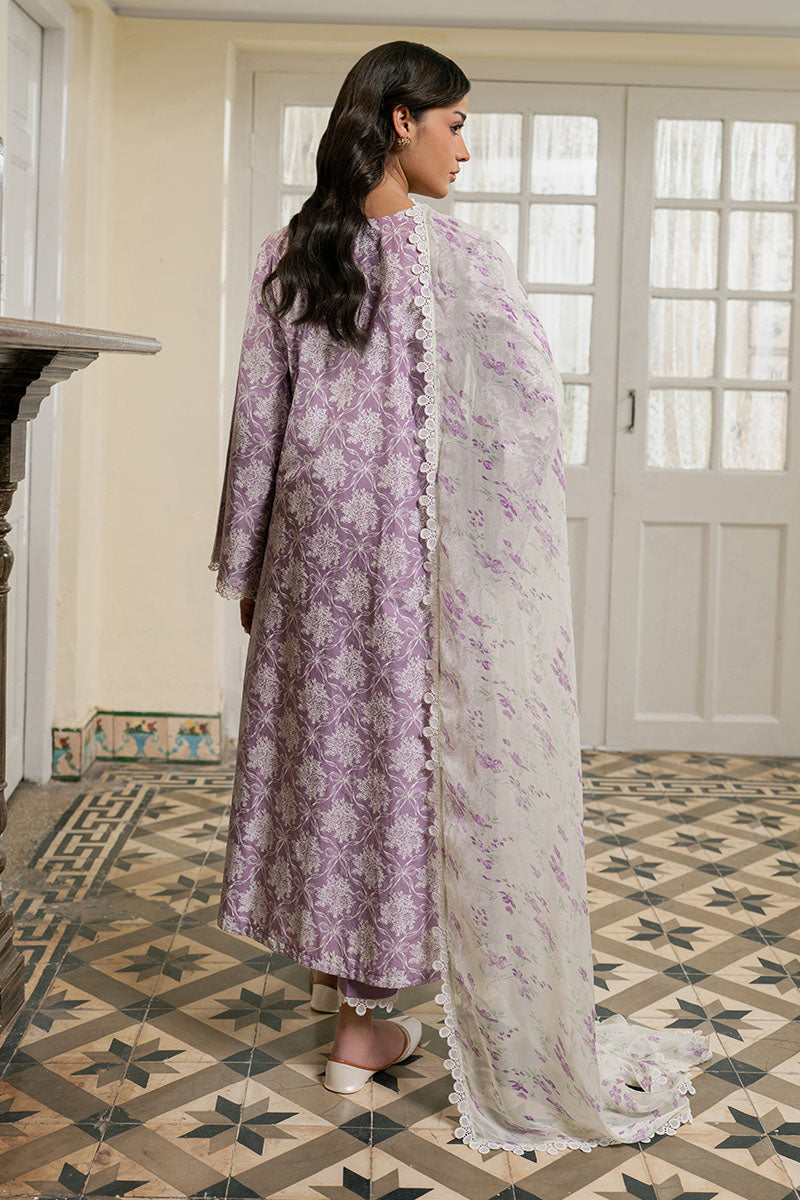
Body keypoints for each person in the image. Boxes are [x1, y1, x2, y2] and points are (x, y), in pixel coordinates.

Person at [210, 39, 713, 1155]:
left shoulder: (290, 253)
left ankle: (349, 998)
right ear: (400, 121)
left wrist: (248, 564)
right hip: (413, 563)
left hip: (312, 558)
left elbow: (257, 421)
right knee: (407, 774)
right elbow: (525, 410)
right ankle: (362, 1029)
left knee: (333, 770)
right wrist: (501, 554)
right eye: (454, 124)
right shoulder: (461, 260)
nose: (465, 149)